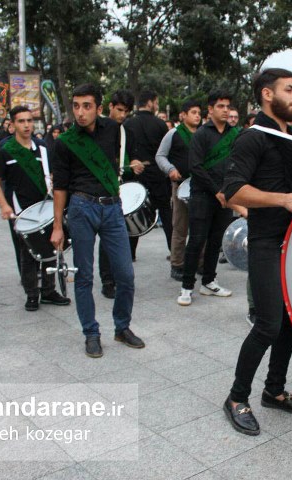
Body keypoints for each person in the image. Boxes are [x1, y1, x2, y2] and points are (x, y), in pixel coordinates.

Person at [222, 67, 292, 436]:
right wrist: (284, 199)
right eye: (289, 90)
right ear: (266, 94)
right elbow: (233, 191)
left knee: (290, 324)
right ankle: (235, 397)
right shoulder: (252, 137)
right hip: (266, 243)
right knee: (267, 325)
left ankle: (274, 390)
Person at [50, 83, 145, 358]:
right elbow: (60, 186)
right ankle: (91, 333)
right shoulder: (65, 142)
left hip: (113, 207)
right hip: (81, 208)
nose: (80, 112)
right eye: (76, 106)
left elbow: (119, 163)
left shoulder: (114, 130)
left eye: (87, 106)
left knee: (125, 275)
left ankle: (122, 327)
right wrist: (58, 226)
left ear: (99, 108)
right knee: (84, 276)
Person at [0, 106, 71, 311]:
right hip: (21, 211)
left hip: (45, 207)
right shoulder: (6, 150)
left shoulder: (42, 147)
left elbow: (52, 174)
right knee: (27, 254)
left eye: (29, 121)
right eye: (21, 121)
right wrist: (4, 205)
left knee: (51, 249)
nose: (26, 125)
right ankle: (32, 294)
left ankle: (49, 291)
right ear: (13, 124)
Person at [176, 91, 237, 306]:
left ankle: (209, 281)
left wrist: (228, 191)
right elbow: (196, 167)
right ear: (210, 110)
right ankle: (186, 286)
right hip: (202, 194)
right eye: (220, 106)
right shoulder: (201, 134)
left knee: (215, 240)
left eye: (227, 106)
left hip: (225, 195)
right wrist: (216, 191)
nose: (225, 110)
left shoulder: (235, 134)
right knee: (196, 240)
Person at [123, 90, 172, 264]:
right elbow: (166, 151)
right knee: (166, 213)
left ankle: (130, 253)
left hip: (137, 173)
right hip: (157, 173)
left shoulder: (128, 124)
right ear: (150, 102)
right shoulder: (160, 124)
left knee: (132, 212)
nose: (157, 105)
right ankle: (174, 250)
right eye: (156, 102)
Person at [156, 99, 201, 281]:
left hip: (200, 186)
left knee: (201, 227)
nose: (197, 116)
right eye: (193, 112)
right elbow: (160, 156)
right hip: (181, 185)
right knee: (180, 227)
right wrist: (170, 170)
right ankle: (177, 264)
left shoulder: (203, 134)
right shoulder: (173, 134)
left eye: (199, 112)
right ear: (183, 115)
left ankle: (201, 262)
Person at [98, 89, 137, 299]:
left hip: (119, 188)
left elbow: (130, 159)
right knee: (105, 239)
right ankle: (107, 280)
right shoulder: (98, 128)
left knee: (117, 236)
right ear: (110, 107)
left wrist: (134, 165)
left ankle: (118, 278)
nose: (122, 115)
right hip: (98, 191)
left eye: (126, 112)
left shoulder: (126, 132)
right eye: (119, 110)